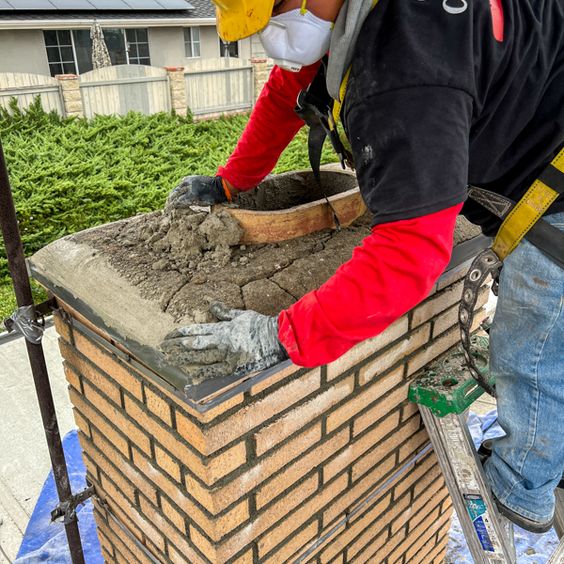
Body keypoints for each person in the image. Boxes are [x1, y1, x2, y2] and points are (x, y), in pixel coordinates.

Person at [162, 0, 564, 534]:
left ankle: (523, 489)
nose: (273, 34)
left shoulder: (407, 69)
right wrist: (232, 183)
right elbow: (290, 91)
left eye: (276, 10)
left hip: (555, 183)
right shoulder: (351, 16)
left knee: (533, 338)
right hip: (537, 129)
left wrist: (280, 338)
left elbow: (411, 254)